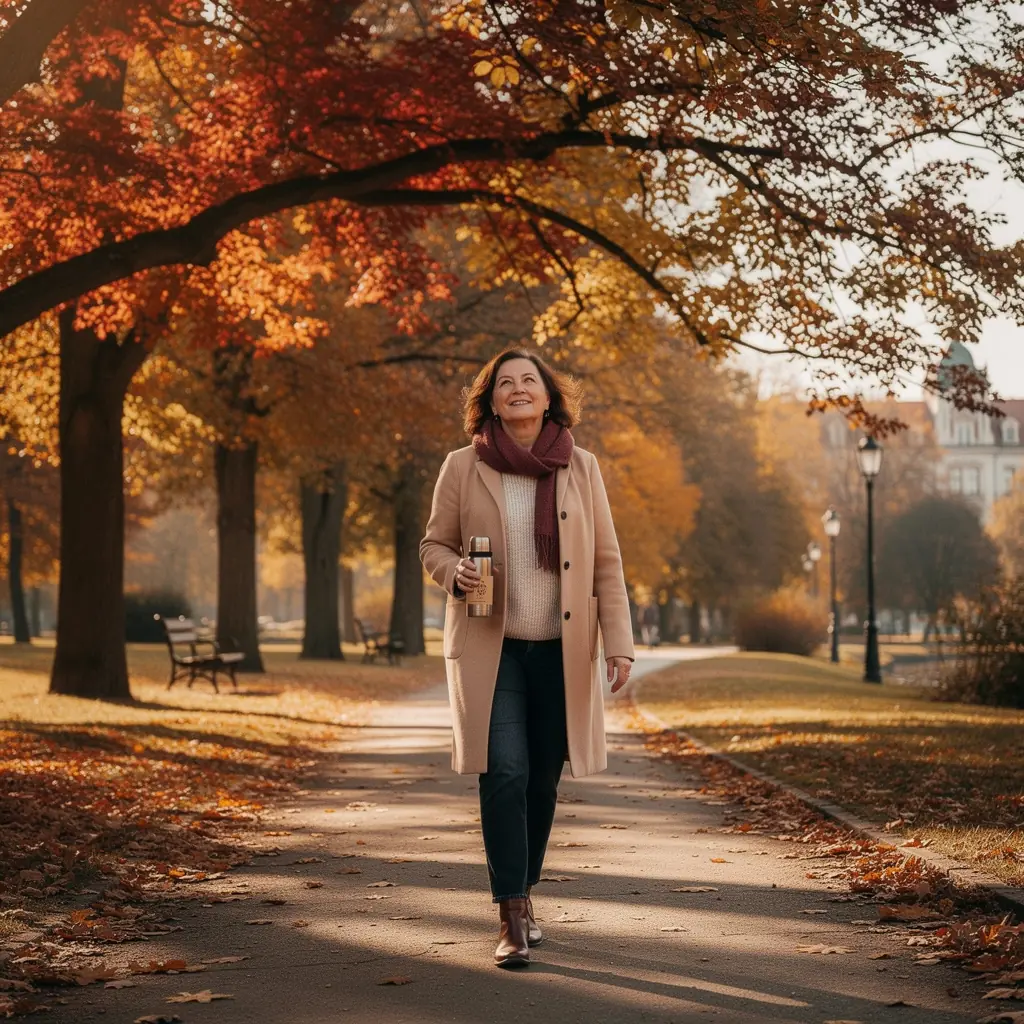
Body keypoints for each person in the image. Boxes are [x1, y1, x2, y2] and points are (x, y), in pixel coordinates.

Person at [419, 349, 634, 969]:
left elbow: (606, 562)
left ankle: (526, 890)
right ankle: (510, 915)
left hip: (560, 651)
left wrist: (617, 642)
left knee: (541, 780)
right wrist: (451, 570)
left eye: (528, 382)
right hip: (492, 648)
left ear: (547, 396)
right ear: (490, 401)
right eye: (504, 383)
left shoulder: (580, 466)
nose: (517, 390)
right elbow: (434, 542)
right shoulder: (463, 466)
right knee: (504, 772)